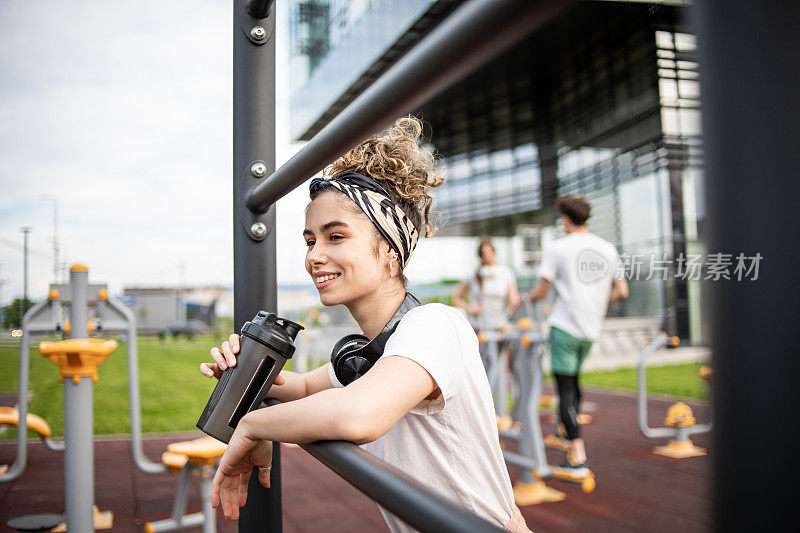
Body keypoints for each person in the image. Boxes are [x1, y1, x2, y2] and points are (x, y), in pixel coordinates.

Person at [200, 117, 531, 533]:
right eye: (309, 241)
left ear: (390, 251)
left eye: (335, 237)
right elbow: (299, 388)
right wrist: (245, 371)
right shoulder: (367, 355)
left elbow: (361, 415)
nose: (314, 256)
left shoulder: (435, 324)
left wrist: (253, 426)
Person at [528, 195, 628, 472]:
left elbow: (541, 291)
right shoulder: (607, 248)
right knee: (574, 384)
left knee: (565, 390)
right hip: (590, 330)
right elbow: (622, 291)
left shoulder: (559, 248)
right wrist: (595, 303)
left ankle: (578, 454)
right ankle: (564, 432)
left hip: (565, 326)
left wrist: (528, 298)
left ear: (565, 219)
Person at [453, 237, 522, 332]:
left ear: (494, 253)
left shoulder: (506, 273)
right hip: (477, 327)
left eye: (489, 253)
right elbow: (456, 299)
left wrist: (508, 313)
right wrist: (471, 309)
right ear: (480, 256)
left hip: (499, 326)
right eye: (484, 254)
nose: (487, 257)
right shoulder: (472, 274)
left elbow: (513, 300)